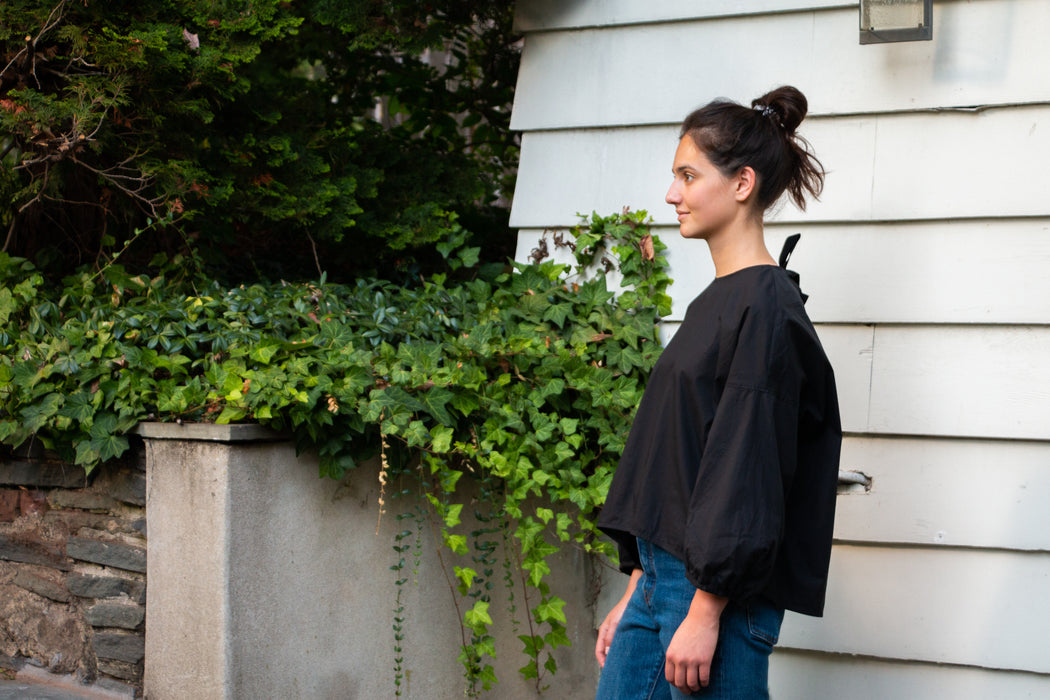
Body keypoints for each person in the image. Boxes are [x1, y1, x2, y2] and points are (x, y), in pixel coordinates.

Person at [593, 86, 841, 699]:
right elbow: (676, 460)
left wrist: (704, 611)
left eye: (687, 175)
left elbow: (747, 466)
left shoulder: (766, 306)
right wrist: (635, 589)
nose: (671, 194)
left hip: (711, 595)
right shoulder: (719, 301)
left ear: (741, 183)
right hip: (663, 579)